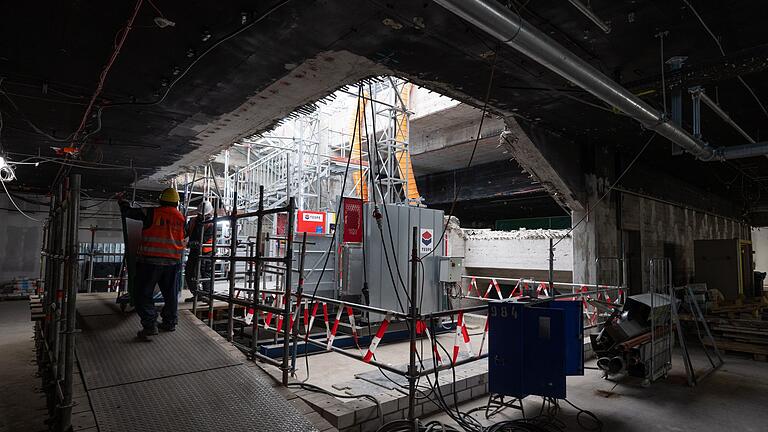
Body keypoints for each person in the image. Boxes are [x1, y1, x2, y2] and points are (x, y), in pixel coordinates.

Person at [118, 187, 185, 339]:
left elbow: (128, 212)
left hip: (150, 261)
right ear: (176, 203)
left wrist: (122, 202)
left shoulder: (151, 213)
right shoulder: (181, 218)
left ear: (161, 200)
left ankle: (150, 325)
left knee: (142, 293)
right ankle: (170, 323)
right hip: (173, 262)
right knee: (170, 294)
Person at [184, 200, 215, 302]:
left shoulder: (211, 224)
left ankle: (207, 295)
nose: (203, 217)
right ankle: (197, 294)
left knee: (205, 273)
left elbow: (203, 241)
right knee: (189, 273)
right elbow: (186, 232)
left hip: (206, 252)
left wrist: (188, 244)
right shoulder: (193, 221)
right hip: (194, 251)